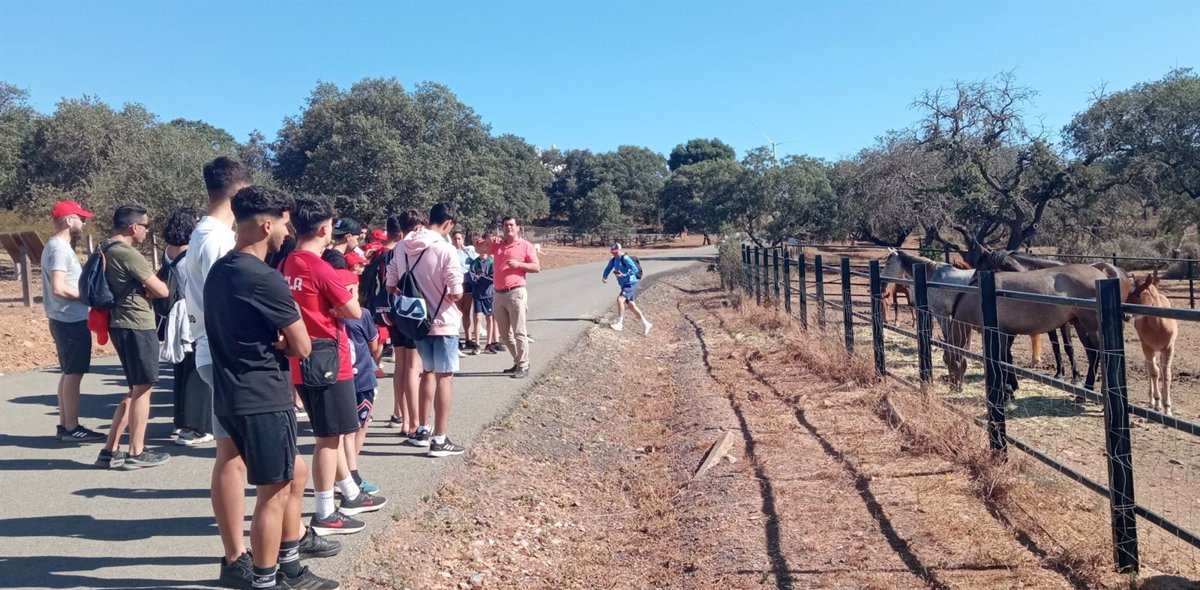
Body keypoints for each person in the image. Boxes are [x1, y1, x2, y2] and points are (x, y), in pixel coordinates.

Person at [206, 185, 338, 590]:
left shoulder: (221, 270)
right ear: (266, 225)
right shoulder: (265, 279)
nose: (287, 231)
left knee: (295, 475)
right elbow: (301, 344)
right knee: (274, 493)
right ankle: (266, 581)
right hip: (263, 395)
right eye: (283, 223)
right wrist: (286, 336)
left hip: (230, 394)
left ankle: (292, 567)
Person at [282, 198, 386, 536]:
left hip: (303, 360)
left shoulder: (288, 264)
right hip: (331, 360)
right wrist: (341, 305)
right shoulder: (318, 266)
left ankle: (350, 493)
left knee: (332, 431)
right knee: (330, 438)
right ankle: (326, 512)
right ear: (325, 229)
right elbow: (353, 309)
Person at [94, 205, 171, 470]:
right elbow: (161, 290)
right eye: (145, 225)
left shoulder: (103, 249)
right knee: (143, 389)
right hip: (137, 324)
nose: (146, 230)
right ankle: (136, 451)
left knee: (134, 387)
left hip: (117, 322)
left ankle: (110, 449)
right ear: (133, 227)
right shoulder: (128, 254)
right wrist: (153, 288)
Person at [397, 203, 465, 456]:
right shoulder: (446, 249)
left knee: (427, 372)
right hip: (443, 322)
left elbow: (392, 283)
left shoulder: (403, 247)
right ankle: (440, 438)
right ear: (448, 224)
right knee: (444, 377)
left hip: (417, 322)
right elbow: (456, 291)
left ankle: (422, 430)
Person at [42, 200, 104, 442]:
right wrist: (89, 296)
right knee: (74, 373)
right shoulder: (59, 248)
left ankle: (65, 424)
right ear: (68, 220)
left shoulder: (58, 246)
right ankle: (72, 427)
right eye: (80, 217)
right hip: (68, 319)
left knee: (69, 371)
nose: (84, 221)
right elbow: (58, 287)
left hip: (66, 317)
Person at [157, 208, 214, 445]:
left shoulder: (167, 251)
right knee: (196, 367)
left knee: (180, 369)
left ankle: (180, 422)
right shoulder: (190, 251)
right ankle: (196, 426)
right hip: (189, 309)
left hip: (174, 313)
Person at [384, 210, 426, 438]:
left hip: (396, 308)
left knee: (400, 364)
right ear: (419, 226)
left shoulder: (396, 249)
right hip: (415, 310)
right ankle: (413, 422)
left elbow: (390, 285)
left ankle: (399, 415)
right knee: (414, 367)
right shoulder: (423, 246)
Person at [491, 216, 540, 379]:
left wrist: (519, 265)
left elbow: (536, 267)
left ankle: (524, 365)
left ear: (518, 227)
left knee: (519, 331)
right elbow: (480, 251)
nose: (508, 228)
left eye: (511, 225)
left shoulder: (526, 246)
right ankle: (518, 361)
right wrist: (483, 241)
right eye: (505, 225)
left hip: (516, 292)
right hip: (498, 293)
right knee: (505, 335)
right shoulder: (498, 245)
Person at [602, 243, 652, 335]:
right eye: (612, 252)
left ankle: (619, 324)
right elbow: (608, 268)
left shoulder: (625, 258)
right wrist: (604, 276)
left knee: (620, 299)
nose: (614, 254)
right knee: (632, 306)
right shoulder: (613, 260)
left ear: (620, 250)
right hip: (623, 284)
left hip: (630, 283)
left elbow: (635, 269)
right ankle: (646, 324)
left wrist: (624, 275)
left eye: (616, 252)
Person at [468, 230, 499, 355]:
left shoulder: (492, 262)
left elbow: (492, 278)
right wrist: (476, 280)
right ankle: (476, 344)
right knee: (476, 317)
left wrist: (480, 278)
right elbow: (470, 277)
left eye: (485, 247)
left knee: (490, 318)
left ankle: (488, 344)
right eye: (480, 247)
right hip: (477, 294)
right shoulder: (475, 262)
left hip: (489, 294)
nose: (483, 249)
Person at [452, 231, 476, 352]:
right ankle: (455, 339)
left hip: (468, 284)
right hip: (457, 285)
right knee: (457, 313)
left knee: (466, 312)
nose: (457, 241)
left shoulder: (469, 252)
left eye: (459, 239)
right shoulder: (450, 252)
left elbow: (476, 263)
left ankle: (468, 338)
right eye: (455, 239)